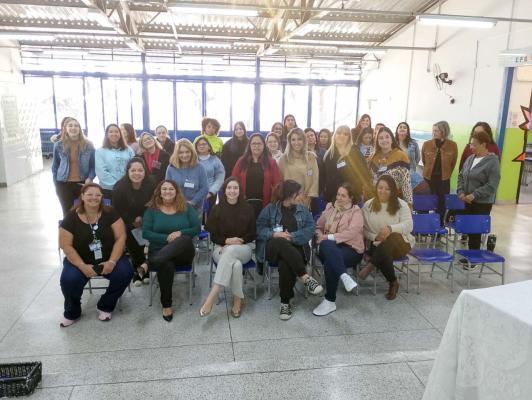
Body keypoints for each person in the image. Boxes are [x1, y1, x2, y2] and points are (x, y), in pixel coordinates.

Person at [59, 183, 133, 327]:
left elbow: (121, 238)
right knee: (68, 280)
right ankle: (72, 312)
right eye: (90, 194)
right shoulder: (71, 217)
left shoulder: (111, 213)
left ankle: (106, 305)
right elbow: (66, 245)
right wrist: (82, 266)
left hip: (108, 257)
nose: (94, 198)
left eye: (98, 195)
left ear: (102, 197)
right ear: (82, 196)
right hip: (80, 260)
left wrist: (112, 262)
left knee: (125, 273)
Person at [256, 180, 323, 321]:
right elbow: (260, 229)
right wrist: (275, 234)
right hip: (273, 248)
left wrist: (292, 236)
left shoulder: (303, 210)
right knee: (280, 241)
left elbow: (310, 229)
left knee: (285, 263)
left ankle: (285, 303)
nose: (302, 196)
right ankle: (305, 276)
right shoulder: (270, 209)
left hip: (296, 248)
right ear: (290, 194)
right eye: (299, 193)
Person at [142, 180, 200, 321]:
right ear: (159, 192)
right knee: (165, 264)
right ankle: (166, 305)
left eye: (171, 189)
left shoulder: (186, 207)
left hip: (183, 253)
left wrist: (180, 233)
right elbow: (146, 233)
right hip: (159, 251)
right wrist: (167, 238)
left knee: (184, 239)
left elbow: (196, 228)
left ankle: (149, 262)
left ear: (176, 192)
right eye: (164, 189)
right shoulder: (151, 210)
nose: (167, 191)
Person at [199, 177, 256, 318]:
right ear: (224, 191)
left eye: (235, 188)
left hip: (244, 248)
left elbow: (253, 233)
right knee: (236, 265)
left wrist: (237, 242)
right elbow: (213, 236)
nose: (232, 191)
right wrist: (226, 241)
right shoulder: (217, 209)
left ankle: (211, 297)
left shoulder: (248, 208)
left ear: (240, 190)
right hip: (221, 247)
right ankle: (237, 301)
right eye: (229, 188)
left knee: (231, 251)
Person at [313, 183, 364, 316]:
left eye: (343, 195)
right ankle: (344, 275)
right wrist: (320, 235)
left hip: (351, 249)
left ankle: (329, 301)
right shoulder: (330, 207)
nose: (339, 198)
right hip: (328, 247)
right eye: (338, 194)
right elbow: (318, 226)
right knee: (328, 246)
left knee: (331, 260)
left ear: (351, 198)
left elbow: (351, 233)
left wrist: (326, 237)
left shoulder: (356, 212)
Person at [360, 176, 414, 300]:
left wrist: (391, 229)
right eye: (380, 188)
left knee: (392, 237)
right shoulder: (368, 205)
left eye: (387, 189)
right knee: (384, 251)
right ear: (376, 188)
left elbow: (409, 226)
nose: (383, 191)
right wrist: (375, 236)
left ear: (393, 190)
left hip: (401, 244)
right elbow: (363, 229)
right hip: (377, 244)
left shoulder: (401, 204)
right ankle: (393, 282)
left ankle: (371, 265)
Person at [112, 158, 156, 286]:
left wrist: (143, 217)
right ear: (128, 171)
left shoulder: (151, 183)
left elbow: (155, 203)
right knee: (129, 235)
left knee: (149, 238)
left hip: (148, 218)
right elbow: (117, 210)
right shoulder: (119, 187)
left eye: (140, 170)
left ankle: (144, 269)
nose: (137, 173)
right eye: (133, 170)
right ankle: (138, 270)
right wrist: (132, 220)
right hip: (127, 220)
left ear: (145, 171)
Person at [457, 130, 501, 252]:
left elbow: (492, 184)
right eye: (470, 144)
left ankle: (474, 257)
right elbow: (461, 176)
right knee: (470, 230)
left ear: (483, 144)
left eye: (474, 144)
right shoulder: (470, 158)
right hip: (467, 201)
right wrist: (461, 192)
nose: (471, 147)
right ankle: (471, 255)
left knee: (475, 232)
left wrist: (475, 195)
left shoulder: (493, 161)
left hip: (482, 203)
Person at [52, 117, 95, 216]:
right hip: (63, 184)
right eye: (70, 126)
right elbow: (55, 166)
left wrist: (90, 178)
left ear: (80, 129)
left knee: (81, 211)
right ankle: (67, 226)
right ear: (65, 128)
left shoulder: (88, 145)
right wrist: (56, 183)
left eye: (76, 126)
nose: (73, 128)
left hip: (82, 183)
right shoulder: (58, 145)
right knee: (67, 212)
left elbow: (93, 166)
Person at [232, 133, 282, 218]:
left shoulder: (271, 162)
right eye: (254, 143)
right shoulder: (241, 161)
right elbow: (233, 180)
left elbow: (278, 184)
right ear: (249, 145)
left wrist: (274, 201)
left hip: (265, 205)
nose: (256, 146)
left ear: (264, 145)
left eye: (259, 143)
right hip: (244, 203)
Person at [320, 125, 373, 205]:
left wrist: (354, 192)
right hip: (333, 199)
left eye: (345, 134)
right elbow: (323, 176)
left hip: (352, 198)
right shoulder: (328, 154)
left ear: (349, 137)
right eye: (339, 133)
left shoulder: (355, 152)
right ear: (334, 135)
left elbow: (364, 173)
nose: (342, 136)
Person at [422, 121, 458, 223]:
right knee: (425, 202)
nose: (433, 133)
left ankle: (439, 224)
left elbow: (453, 163)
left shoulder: (452, 145)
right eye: (433, 130)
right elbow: (424, 161)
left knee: (441, 204)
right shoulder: (426, 144)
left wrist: (446, 173)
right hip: (428, 178)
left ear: (443, 131)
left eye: (436, 131)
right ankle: (424, 224)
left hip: (443, 180)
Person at [369, 127, 413, 205]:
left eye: (387, 137)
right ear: (377, 141)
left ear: (392, 139)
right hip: (376, 201)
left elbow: (406, 184)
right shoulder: (373, 157)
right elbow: (370, 180)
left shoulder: (401, 156)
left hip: (395, 201)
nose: (384, 140)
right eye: (381, 138)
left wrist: (408, 205)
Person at [278, 128, 319, 208]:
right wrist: (288, 199)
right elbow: (280, 181)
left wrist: (308, 199)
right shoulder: (283, 159)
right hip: (288, 201)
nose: (296, 142)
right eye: (293, 139)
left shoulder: (311, 157)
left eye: (299, 139)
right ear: (289, 141)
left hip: (305, 200)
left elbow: (315, 180)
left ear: (304, 140)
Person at [165, 139, 209, 213]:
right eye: (181, 152)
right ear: (176, 153)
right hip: (175, 207)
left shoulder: (200, 167)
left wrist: (192, 202)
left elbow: (205, 188)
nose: (184, 155)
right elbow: (167, 188)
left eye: (187, 152)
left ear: (192, 152)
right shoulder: (171, 168)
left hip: (195, 208)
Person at [95, 123, 135, 198]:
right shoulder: (100, 151)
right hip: (108, 189)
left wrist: (128, 183)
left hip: (127, 187)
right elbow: (101, 172)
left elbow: (134, 167)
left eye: (116, 131)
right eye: (111, 132)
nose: (114, 134)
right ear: (107, 135)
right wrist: (117, 185)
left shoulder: (129, 150)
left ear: (120, 134)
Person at [195, 136, 225, 212]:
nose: (201, 146)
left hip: (211, 194)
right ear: (196, 147)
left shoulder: (215, 160)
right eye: (199, 144)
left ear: (209, 146)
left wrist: (211, 192)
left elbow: (220, 177)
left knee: (210, 214)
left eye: (204, 144)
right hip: (194, 194)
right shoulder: (192, 160)